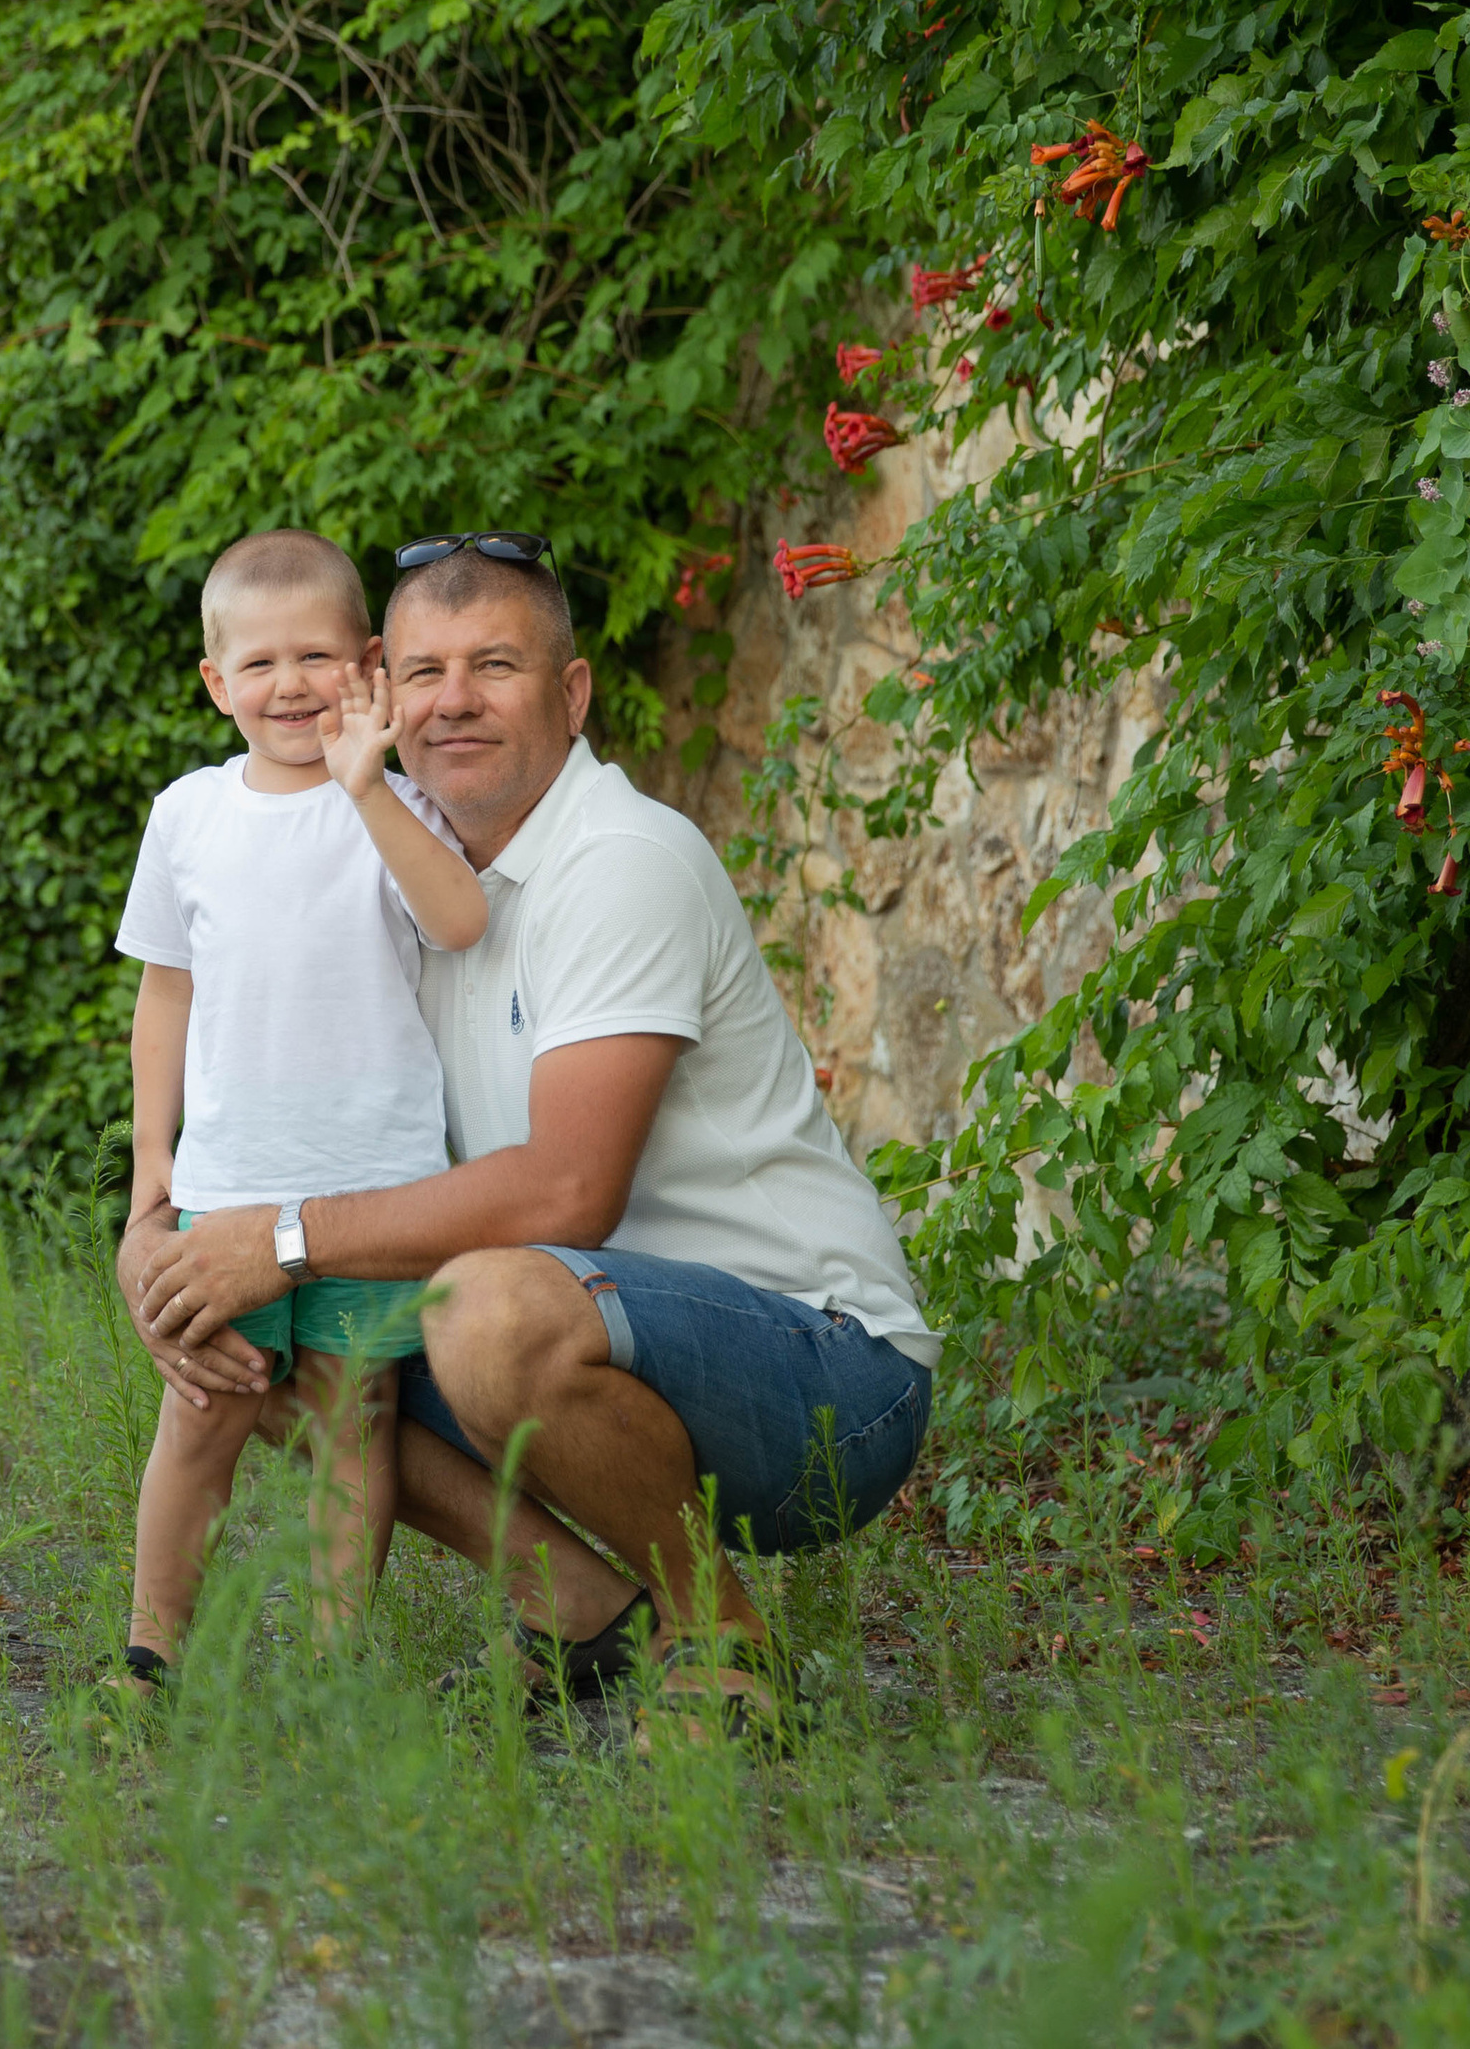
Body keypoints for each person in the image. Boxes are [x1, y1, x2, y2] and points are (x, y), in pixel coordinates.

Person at [121, 532, 938, 1744]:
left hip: (817, 1370)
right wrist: (163, 1236)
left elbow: (565, 1192)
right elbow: (247, 1067)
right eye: (425, 671)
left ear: (572, 691)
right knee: (271, 1351)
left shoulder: (619, 863)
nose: (452, 700)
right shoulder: (406, 882)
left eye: (494, 665)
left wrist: (276, 1239)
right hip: (604, 1325)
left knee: (480, 1310)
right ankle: (581, 1608)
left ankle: (720, 1645)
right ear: (383, 690)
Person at [110, 529, 488, 1693]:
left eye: (316, 656)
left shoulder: (396, 803)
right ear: (215, 681)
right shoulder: (187, 815)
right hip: (226, 1183)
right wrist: (152, 1168)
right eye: (259, 663)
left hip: (373, 1190)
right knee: (202, 1412)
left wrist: (366, 785)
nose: (289, 685)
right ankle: (152, 1653)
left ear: (367, 664)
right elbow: (164, 997)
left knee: (351, 1424)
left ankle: (334, 1668)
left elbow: (459, 921)